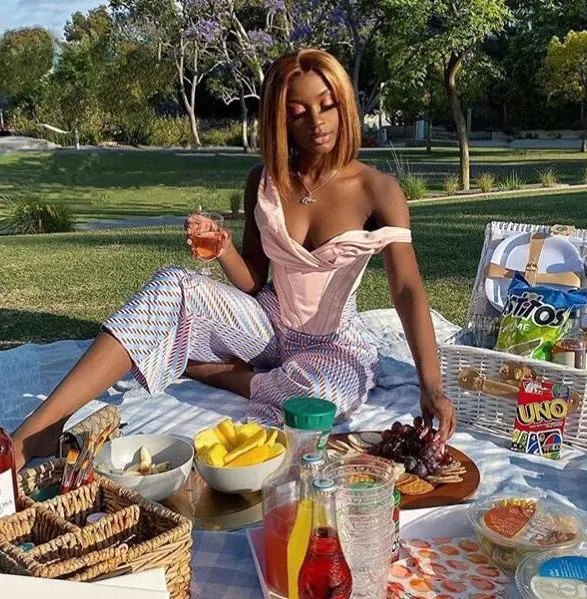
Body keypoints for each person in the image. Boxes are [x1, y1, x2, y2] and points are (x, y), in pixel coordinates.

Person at [11, 49, 456, 471]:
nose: (317, 121)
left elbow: (407, 288)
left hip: (334, 343)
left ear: (344, 105)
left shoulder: (378, 189)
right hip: (268, 324)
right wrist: (224, 248)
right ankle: (37, 431)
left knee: (316, 403)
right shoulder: (263, 181)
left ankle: (221, 375)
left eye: (327, 105)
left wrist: (431, 386)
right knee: (173, 284)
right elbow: (254, 282)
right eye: (298, 112)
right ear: (280, 120)